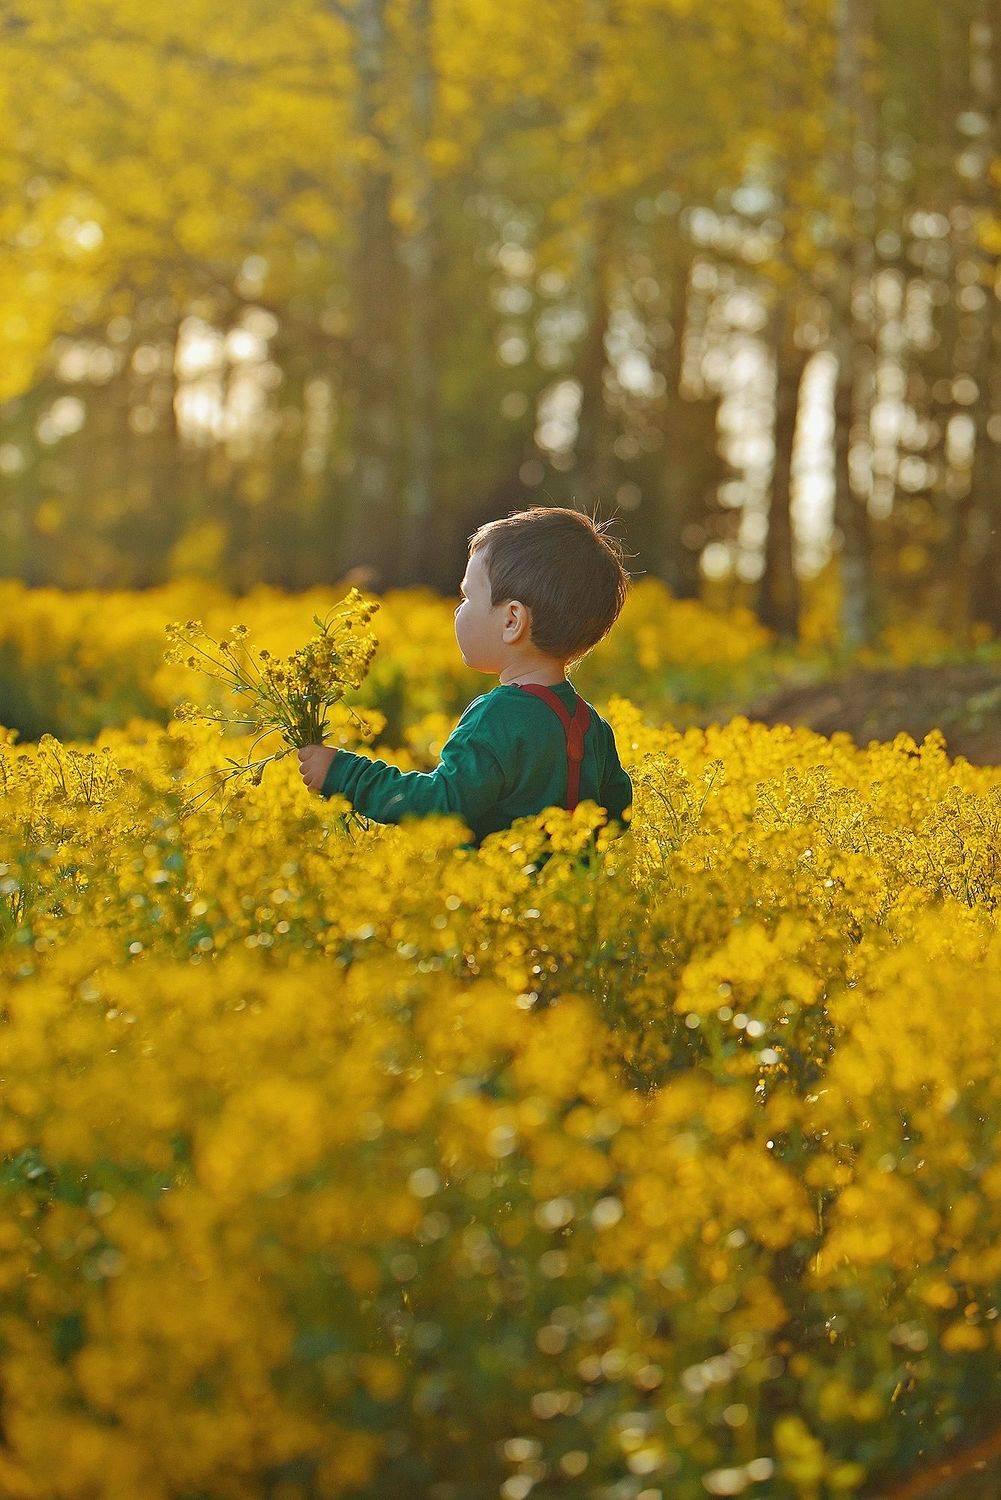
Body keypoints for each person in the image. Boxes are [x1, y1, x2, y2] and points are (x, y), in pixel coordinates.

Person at [297, 505, 634, 852]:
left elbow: (441, 804)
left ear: (512, 621)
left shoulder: (497, 716)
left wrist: (345, 775)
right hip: (571, 900)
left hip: (493, 901)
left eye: (467, 597)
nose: (458, 609)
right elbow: (618, 814)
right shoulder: (591, 724)